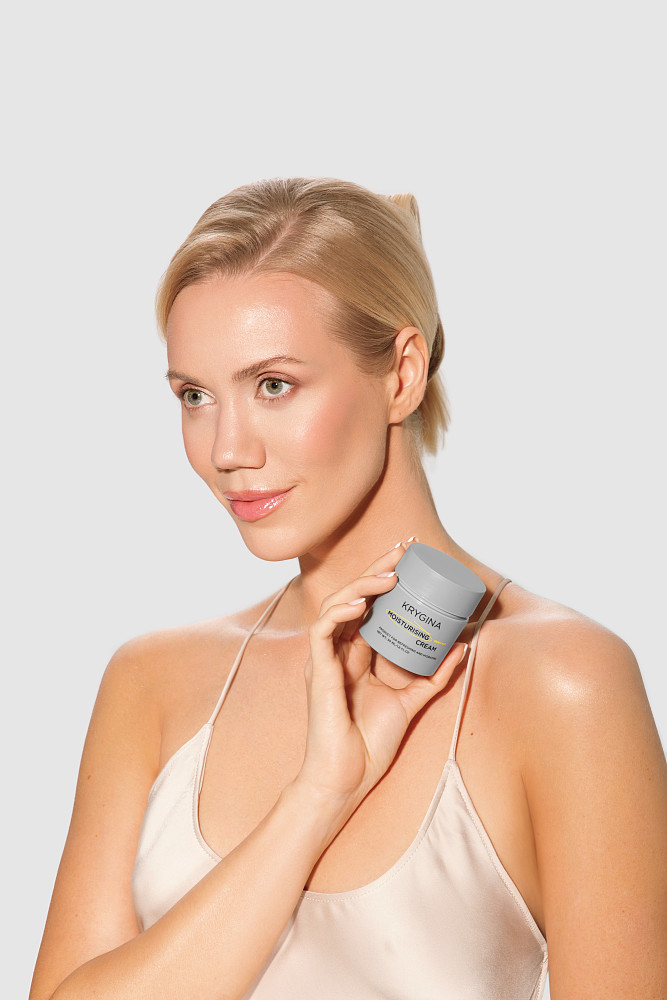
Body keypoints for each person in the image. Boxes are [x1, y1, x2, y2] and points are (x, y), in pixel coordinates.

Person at [29, 177, 667, 1000]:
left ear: (401, 374)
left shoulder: (561, 682)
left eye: (273, 385)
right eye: (195, 396)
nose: (226, 450)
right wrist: (319, 795)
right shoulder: (152, 682)